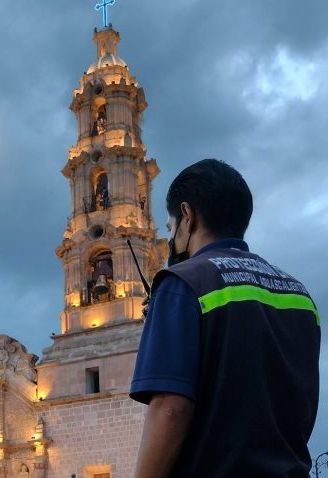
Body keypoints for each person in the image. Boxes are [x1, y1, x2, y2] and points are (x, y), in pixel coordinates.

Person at [130, 159, 320, 478]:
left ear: (187, 215)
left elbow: (170, 408)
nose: (171, 237)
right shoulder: (300, 294)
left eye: (170, 227)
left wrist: (171, 304)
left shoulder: (183, 282)